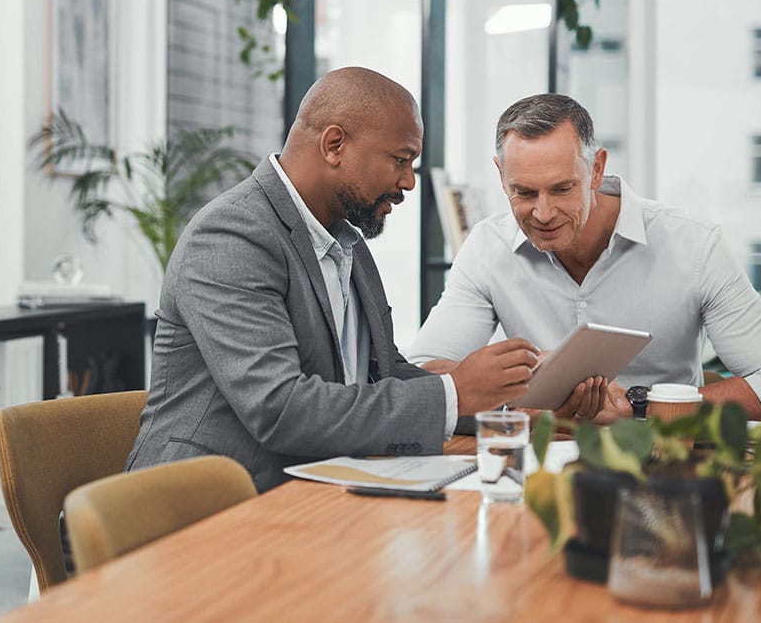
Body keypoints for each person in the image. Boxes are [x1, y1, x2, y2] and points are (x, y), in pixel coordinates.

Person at [126, 67, 541, 492]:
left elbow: (380, 372)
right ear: (334, 145)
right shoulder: (231, 236)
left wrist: (502, 402)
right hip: (199, 511)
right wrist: (455, 393)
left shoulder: (346, 242)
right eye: (400, 160)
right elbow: (281, 409)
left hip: (310, 494)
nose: (409, 182)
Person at [405, 93, 761, 427]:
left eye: (563, 188)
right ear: (500, 176)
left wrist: (639, 406)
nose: (543, 213)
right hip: (537, 472)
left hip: (667, 470)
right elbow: (417, 376)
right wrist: (520, 384)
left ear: (597, 169)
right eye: (524, 192)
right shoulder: (487, 248)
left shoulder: (692, 245)